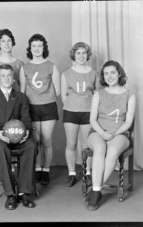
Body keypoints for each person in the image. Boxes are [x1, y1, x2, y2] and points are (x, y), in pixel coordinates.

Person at [0, 64, 38, 210]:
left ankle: (24, 192)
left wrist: (26, 132)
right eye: (3, 75)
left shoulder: (20, 96)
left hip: (19, 134)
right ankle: (10, 194)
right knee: (1, 148)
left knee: (32, 145)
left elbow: (26, 120)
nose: (6, 78)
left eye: (9, 75)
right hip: (0, 135)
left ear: (13, 77)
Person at [85, 60, 136, 211]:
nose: (109, 76)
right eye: (106, 74)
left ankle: (95, 190)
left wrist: (114, 133)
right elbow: (92, 119)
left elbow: (128, 122)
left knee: (113, 151)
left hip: (120, 133)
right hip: (97, 131)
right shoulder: (98, 94)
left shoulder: (130, 95)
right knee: (99, 148)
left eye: (112, 72)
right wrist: (102, 132)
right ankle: (96, 191)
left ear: (119, 73)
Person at [20, 34, 60, 185]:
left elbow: (57, 90)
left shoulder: (52, 66)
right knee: (36, 141)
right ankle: (37, 169)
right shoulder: (25, 67)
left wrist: (44, 97)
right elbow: (22, 91)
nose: (37, 49)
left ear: (44, 47)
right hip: (32, 107)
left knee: (47, 141)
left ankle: (46, 171)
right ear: (30, 48)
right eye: (34, 46)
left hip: (48, 106)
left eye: (40, 45)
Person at [61, 42, 100, 187]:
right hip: (71, 112)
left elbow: (97, 93)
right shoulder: (66, 73)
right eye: (78, 53)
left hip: (88, 113)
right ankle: (71, 173)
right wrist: (73, 105)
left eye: (84, 53)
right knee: (71, 144)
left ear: (87, 55)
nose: (81, 56)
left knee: (86, 145)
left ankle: (87, 172)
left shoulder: (94, 73)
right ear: (74, 55)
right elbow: (64, 96)